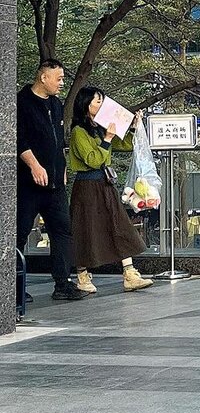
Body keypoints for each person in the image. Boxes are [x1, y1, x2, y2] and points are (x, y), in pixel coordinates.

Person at [68, 88, 154, 293]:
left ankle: (130, 273)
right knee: (86, 228)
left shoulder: (101, 126)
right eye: (97, 101)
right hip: (87, 185)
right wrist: (107, 139)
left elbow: (126, 145)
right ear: (86, 104)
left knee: (119, 224)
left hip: (105, 183)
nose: (101, 105)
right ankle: (82, 274)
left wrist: (133, 127)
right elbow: (92, 160)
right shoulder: (79, 131)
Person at [16, 59, 84, 301]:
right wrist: (34, 165)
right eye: (59, 78)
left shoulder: (55, 104)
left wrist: (61, 167)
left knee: (62, 230)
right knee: (20, 232)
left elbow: (58, 140)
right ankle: (14, 287)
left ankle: (62, 283)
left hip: (55, 183)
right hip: (29, 183)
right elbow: (19, 139)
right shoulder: (22, 102)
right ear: (43, 77)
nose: (62, 83)